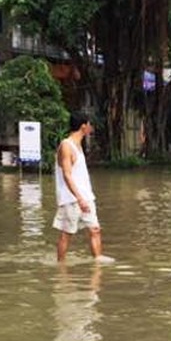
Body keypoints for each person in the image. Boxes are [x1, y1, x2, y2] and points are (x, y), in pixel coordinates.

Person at [53, 112, 110, 264]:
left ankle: (97, 262)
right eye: (90, 124)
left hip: (86, 197)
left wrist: (85, 198)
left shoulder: (79, 145)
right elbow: (67, 175)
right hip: (71, 199)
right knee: (67, 234)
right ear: (83, 126)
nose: (91, 128)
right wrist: (79, 198)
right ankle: (61, 266)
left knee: (95, 229)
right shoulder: (66, 146)